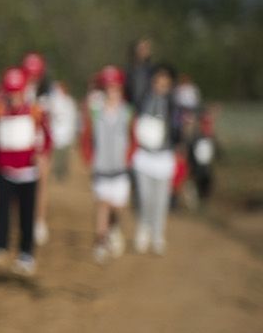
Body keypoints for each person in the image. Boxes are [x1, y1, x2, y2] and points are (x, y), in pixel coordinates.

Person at [0, 66, 51, 276]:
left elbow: (45, 137)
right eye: (10, 91)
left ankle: (26, 253)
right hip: (5, 171)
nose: (13, 96)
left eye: (17, 91)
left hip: (27, 172)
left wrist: (42, 156)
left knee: (26, 215)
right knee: (2, 211)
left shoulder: (35, 111)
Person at [79, 66, 133, 264]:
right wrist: (88, 157)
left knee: (118, 206)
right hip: (101, 167)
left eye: (115, 88)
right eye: (108, 88)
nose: (112, 92)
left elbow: (133, 137)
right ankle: (100, 241)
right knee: (102, 205)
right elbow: (86, 137)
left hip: (120, 168)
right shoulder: (95, 111)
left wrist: (130, 156)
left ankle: (114, 229)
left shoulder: (127, 112)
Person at [131, 64, 181, 255]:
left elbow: (177, 129)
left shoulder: (172, 104)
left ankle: (158, 234)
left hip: (164, 156)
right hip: (144, 156)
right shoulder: (143, 98)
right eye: (158, 81)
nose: (161, 85)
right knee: (145, 197)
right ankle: (143, 228)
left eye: (165, 82)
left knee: (161, 200)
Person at [21, 52, 55, 246]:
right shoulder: (16, 90)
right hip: (21, 144)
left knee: (41, 184)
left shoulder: (47, 94)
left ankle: (39, 221)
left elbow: (48, 123)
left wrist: (45, 148)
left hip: (40, 144)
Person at [186, 109, 220, 207]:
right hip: (197, 163)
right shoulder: (197, 135)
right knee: (197, 180)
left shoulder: (210, 135)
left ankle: (203, 200)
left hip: (206, 163)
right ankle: (196, 201)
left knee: (207, 181)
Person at [47, 80, 80, 181]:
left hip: (66, 133)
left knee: (64, 155)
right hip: (55, 133)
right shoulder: (53, 100)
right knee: (56, 155)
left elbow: (73, 117)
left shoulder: (69, 102)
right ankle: (56, 171)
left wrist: (73, 131)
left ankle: (63, 172)